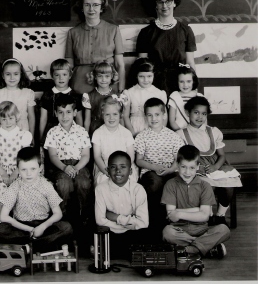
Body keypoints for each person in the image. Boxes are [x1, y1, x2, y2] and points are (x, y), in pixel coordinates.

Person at [176, 96, 242, 226]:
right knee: (207, 186)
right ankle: (208, 214)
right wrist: (195, 168)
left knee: (229, 186)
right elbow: (181, 158)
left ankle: (220, 215)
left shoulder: (213, 132)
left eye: (204, 114)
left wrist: (215, 167)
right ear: (188, 113)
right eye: (196, 112)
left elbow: (222, 156)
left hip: (215, 166)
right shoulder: (181, 134)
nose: (200, 117)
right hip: (195, 168)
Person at [0, 147, 73, 252]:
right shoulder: (15, 187)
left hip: (43, 225)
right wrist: (30, 230)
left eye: (33, 169)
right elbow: (3, 217)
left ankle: (28, 247)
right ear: (17, 169)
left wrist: (42, 227)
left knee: (66, 228)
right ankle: (41, 246)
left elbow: (58, 213)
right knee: (1, 230)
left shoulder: (46, 185)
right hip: (22, 227)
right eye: (24, 169)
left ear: (40, 168)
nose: (28, 173)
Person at [162, 145, 230, 258]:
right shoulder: (170, 185)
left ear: (198, 166)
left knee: (224, 229)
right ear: (177, 165)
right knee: (167, 232)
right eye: (183, 167)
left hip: (202, 230)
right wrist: (199, 211)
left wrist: (179, 213)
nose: (187, 172)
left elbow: (204, 217)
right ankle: (205, 247)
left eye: (192, 168)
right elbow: (171, 216)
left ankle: (187, 250)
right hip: (179, 230)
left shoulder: (205, 186)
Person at [134, 98, 184, 233]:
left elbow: (178, 160)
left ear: (164, 115)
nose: (153, 118)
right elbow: (139, 160)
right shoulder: (142, 136)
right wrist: (154, 167)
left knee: (174, 184)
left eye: (157, 114)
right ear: (145, 117)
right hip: (150, 173)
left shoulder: (173, 136)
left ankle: (172, 221)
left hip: (170, 171)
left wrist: (170, 170)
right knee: (155, 183)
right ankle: (155, 223)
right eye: (149, 115)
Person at [136, 0, 197, 93]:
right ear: (156, 5)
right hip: (153, 84)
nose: (164, 6)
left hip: (180, 83)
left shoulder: (186, 31)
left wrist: (193, 89)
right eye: (160, 2)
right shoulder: (145, 33)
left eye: (168, 1)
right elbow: (142, 65)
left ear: (174, 3)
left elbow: (190, 62)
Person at [65, 0, 125, 94]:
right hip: (80, 85)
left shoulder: (113, 30)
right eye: (87, 5)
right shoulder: (72, 32)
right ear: (82, 8)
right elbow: (69, 65)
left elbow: (119, 64)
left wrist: (121, 88)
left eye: (95, 5)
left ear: (101, 8)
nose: (91, 9)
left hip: (107, 82)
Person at [43, 94, 91, 224]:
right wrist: (65, 167)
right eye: (61, 112)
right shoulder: (52, 132)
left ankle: (84, 216)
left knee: (84, 183)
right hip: (61, 166)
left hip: (79, 165)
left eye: (68, 112)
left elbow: (86, 155)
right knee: (63, 184)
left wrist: (76, 167)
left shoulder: (81, 131)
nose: (65, 117)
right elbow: (52, 156)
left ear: (75, 112)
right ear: (55, 113)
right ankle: (61, 216)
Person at [95, 151, 149, 259]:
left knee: (147, 235)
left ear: (130, 171)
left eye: (123, 167)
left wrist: (116, 218)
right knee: (96, 235)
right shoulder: (100, 189)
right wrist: (129, 222)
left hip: (132, 234)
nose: (118, 171)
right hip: (111, 233)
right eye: (113, 167)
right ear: (107, 170)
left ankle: (118, 253)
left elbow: (143, 223)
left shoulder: (138, 189)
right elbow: (100, 220)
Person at [0, 101, 33, 214]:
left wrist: (16, 172)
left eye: (11, 118)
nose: (7, 122)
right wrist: (3, 173)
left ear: (17, 117)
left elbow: (25, 158)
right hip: (0, 169)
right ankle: (3, 221)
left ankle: (20, 219)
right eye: (4, 119)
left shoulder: (24, 135)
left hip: (20, 169)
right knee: (1, 191)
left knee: (21, 189)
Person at [92, 96, 137, 186]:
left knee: (129, 182)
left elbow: (131, 157)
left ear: (120, 115)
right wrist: (107, 171)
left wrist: (123, 170)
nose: (111, 118)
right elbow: (97, 156)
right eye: (107, 114)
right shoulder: (98, 133)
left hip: (124, 167)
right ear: (102, 114)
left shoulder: (126, 133)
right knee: (103, 182)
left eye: (115, 114)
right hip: (105, 167)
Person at [39, 58, 83, 145]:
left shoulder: (75, 95)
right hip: (52, 133)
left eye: (64, 74)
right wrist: (41, 138)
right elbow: (43, 119)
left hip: (71, 132)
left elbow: (79, 118)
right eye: (57, 75)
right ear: (52, 76)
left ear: (70, 75)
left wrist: (80, 136)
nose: (61, 78)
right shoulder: (47, 95)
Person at [0, 58, 36, 138]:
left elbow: (31, 117)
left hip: (23, 131)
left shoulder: (27, 93)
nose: (12, 77)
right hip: (4, 132)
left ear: (21, 75)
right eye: (8, 74)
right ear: (3, 75)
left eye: (16, 74)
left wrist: (31, 136)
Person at [123, 58, 167, 137]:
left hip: (153, 129)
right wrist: (132, 133)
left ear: (154, 75)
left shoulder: (159, 93)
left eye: (149, 76)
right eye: (141, 76)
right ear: (136, 76)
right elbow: (125, 116)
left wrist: (159, 133)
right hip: (134, 128)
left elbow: (165, 116)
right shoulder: (129, 93)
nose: (146, 80)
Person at [82, 61, 120, 136]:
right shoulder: (88, 96)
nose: (103, 80)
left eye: (107, 76)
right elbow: (87, 120)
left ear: (112, 76)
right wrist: (85, 137)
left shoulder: (117, 96)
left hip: (113, 129)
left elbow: (120, 117)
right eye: (100, 76)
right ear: (95, 76)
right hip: (95, 130)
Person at [168, 64, 203, 131]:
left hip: (197, 132)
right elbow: (172, 122)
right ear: (177, 82)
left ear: (193, 81)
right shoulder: (174, 96)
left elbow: (204, 119)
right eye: (181, 82)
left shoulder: (199, 96)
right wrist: (182, 132)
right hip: (179, 131)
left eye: (188, 81)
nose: (185, 85)